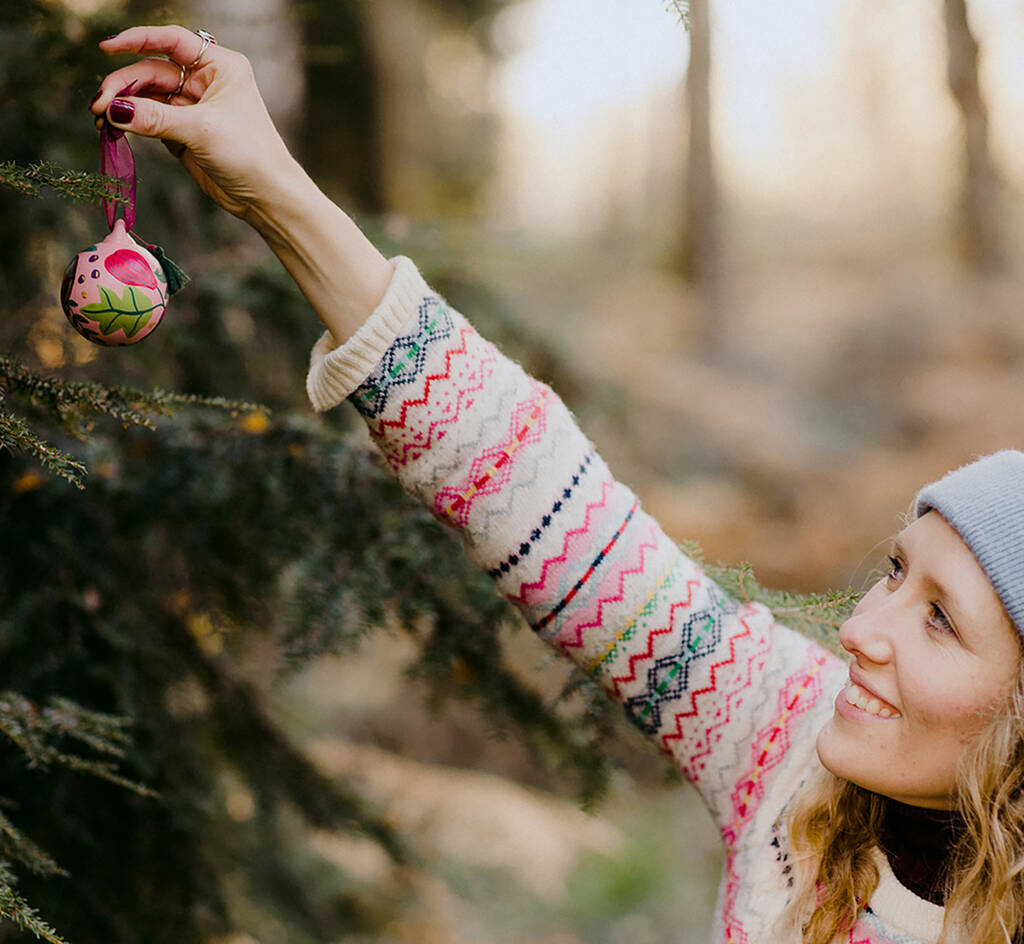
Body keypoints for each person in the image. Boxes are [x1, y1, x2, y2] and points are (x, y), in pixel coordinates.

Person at [89, 25, 1024, 944]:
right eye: (896, 573)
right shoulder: (790, 751)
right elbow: (532, 488)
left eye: (941, 620)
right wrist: (273, 187)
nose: (860, 630)